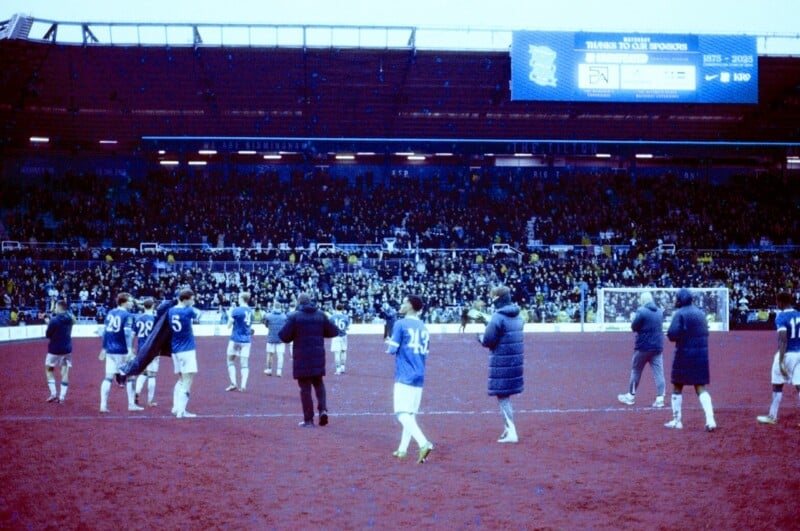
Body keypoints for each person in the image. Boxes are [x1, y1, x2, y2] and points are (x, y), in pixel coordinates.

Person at [279, 292, 340, 427]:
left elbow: (284, 336)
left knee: (305, 389)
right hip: (318, 357)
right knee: (319, 384)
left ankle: (309, 420)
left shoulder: (294, 316)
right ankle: (323, 410)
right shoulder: (320, 315)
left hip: (302, 359)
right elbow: (333, 331)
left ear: (298, 302)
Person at [387, 294, 434, 463]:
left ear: (411, 306)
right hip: (419, 373)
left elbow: (392, 350)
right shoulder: (423, 327)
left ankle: (423, 443)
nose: (401, 304)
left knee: (401, 413)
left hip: (405, 373)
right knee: (410, 414)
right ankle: (402, 449)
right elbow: (425, 352)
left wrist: (390, 343)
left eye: (405, 301)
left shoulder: (400, 324)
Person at [664, 288, 717, 431]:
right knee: (701, 388)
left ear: (681, 299)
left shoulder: (679, 313)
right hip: (700, 356)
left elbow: (672, 335)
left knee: (677, 386)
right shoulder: (701, 313)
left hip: (684, 355)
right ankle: (710, 420)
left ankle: (677, 421)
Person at [478, 285, 524, 443]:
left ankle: (511, 432)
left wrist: (480, 336)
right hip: (514, 361)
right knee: (505, 396)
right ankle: (508, 429)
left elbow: (488, 341)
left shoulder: (497, 317)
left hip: (502, 362)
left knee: (503, 397)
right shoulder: (519, 316)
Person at [756, 291, 800, 425]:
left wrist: (781, 361)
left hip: (787, 354)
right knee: (799, 386)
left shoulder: (780, 317)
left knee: (777, 384)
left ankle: (772, 416)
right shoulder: (799, 314)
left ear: (781, 302)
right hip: (799, 353)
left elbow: (783, 340)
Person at [617, 291, 666, 408]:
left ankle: (630, 396)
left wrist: (633, 319)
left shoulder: (641, 311)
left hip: (643, 347)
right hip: (657, 347)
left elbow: (634, 327)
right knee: (659, 373)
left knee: (636, 371)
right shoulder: (659, 312)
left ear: (642, 300)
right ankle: (660, 399)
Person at [99, 292, 140, 413]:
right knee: (131, 376)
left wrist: (104, 348)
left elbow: (105, 332)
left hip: (110, 350)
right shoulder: (128, 315)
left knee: (108, 378)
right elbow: (127, 333)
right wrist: (129, 350)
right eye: (130, 301)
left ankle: (103, 405)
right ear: (123, 302)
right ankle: (131, 404)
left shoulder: (110, 313)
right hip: (121, 350)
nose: (132, 303)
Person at [169, 288, 202, 418]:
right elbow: (199, 315)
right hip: (187, 349)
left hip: (175, 349)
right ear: (186, 299)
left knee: (181, 379)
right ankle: (181, 411)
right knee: (188, 381)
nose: (193, 301)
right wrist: (192, 306)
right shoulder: (188, 310)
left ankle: (175, 407)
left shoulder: (171, 311)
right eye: (192, 298)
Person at [43, 300, 75, 403]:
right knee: (65, 372)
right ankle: (62, 397)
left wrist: (48, 323)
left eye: (56, 307)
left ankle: (53, 394)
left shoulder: (54, 320)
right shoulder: (70, 319)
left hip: (54, 349)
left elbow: (48, 334)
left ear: (59, 307)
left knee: (49, 369)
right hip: (67, 349)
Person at [225, 292, 254, 392]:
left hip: (235, 339)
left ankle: (233, 383)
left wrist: (229, 314)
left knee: (230, 360)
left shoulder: (236, 310)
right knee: (244, 363)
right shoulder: (251, 311)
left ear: (241, 298)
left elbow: (228, 325)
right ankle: (243, 385)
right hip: (246, 340)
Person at [133, 297, 159, 407]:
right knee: (152, 375)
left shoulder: (138, 318)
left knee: (143, 372)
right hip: (152, 349)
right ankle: (150, 400)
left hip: (141, 348)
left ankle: (137, 391)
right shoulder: (155, 319)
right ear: (153, 306)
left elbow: (133, 334)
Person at [263, 303, 288, 376]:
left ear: (274, 307)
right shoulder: (284, 316)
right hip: (281, 338)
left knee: (270, 354)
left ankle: (269, 369)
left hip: (271, 337)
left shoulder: (269, 316)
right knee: (280, 355)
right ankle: (279, 371)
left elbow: (266, 325)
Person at [330, 302, 350, 375]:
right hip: (343, 335)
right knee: (343, 351)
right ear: (343, 309)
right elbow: (348, 327)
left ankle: (338, 369)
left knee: (337, 353)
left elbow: (329, 326)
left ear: (336, 308)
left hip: (335, 336)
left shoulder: (332, 317)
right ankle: (343, 367)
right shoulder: (346, 317)